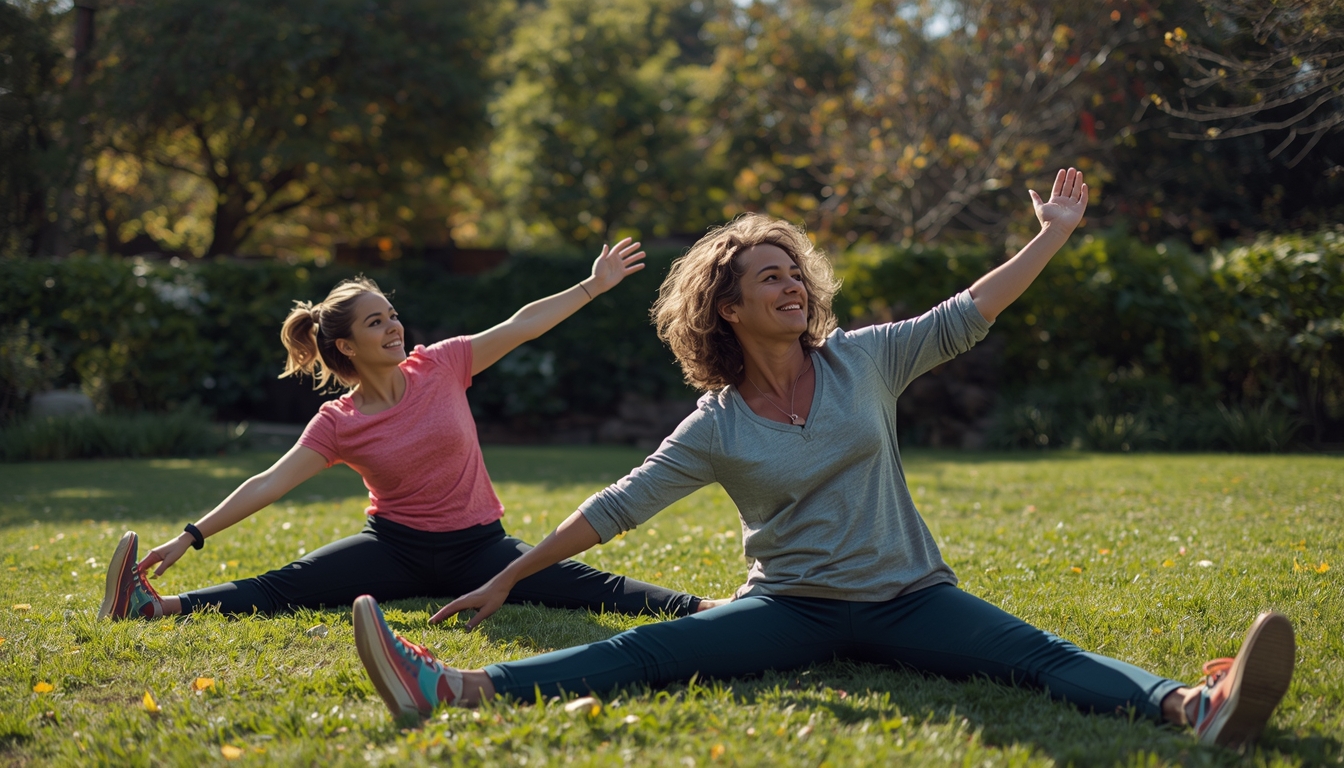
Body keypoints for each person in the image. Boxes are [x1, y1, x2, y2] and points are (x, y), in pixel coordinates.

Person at [349, 169, 1296, 748]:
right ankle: (453, 688)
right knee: (646, 652)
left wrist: (1048, 235)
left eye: (794, 271)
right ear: (727, 306)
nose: (792, 284)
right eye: (769, 277)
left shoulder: (866, 359)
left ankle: (1193, 708)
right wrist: (509, 578)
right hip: (790, 607)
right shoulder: (716, 422)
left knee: (1040, 657)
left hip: (912, 593)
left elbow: (969, 312)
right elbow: (617, 506)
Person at [98, 238, 723, 623]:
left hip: (481, 549)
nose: (394, 327)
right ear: (346, 345)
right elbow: (270, 482)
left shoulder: (441, 365)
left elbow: (520, 324)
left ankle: (704, 609)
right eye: (377, 323)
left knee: (584, 587)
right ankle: (156, 606)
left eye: (392, 314)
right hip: (392, 550)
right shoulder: (338, 423)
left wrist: (593, 285)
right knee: (286, 585)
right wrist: (191, 535)